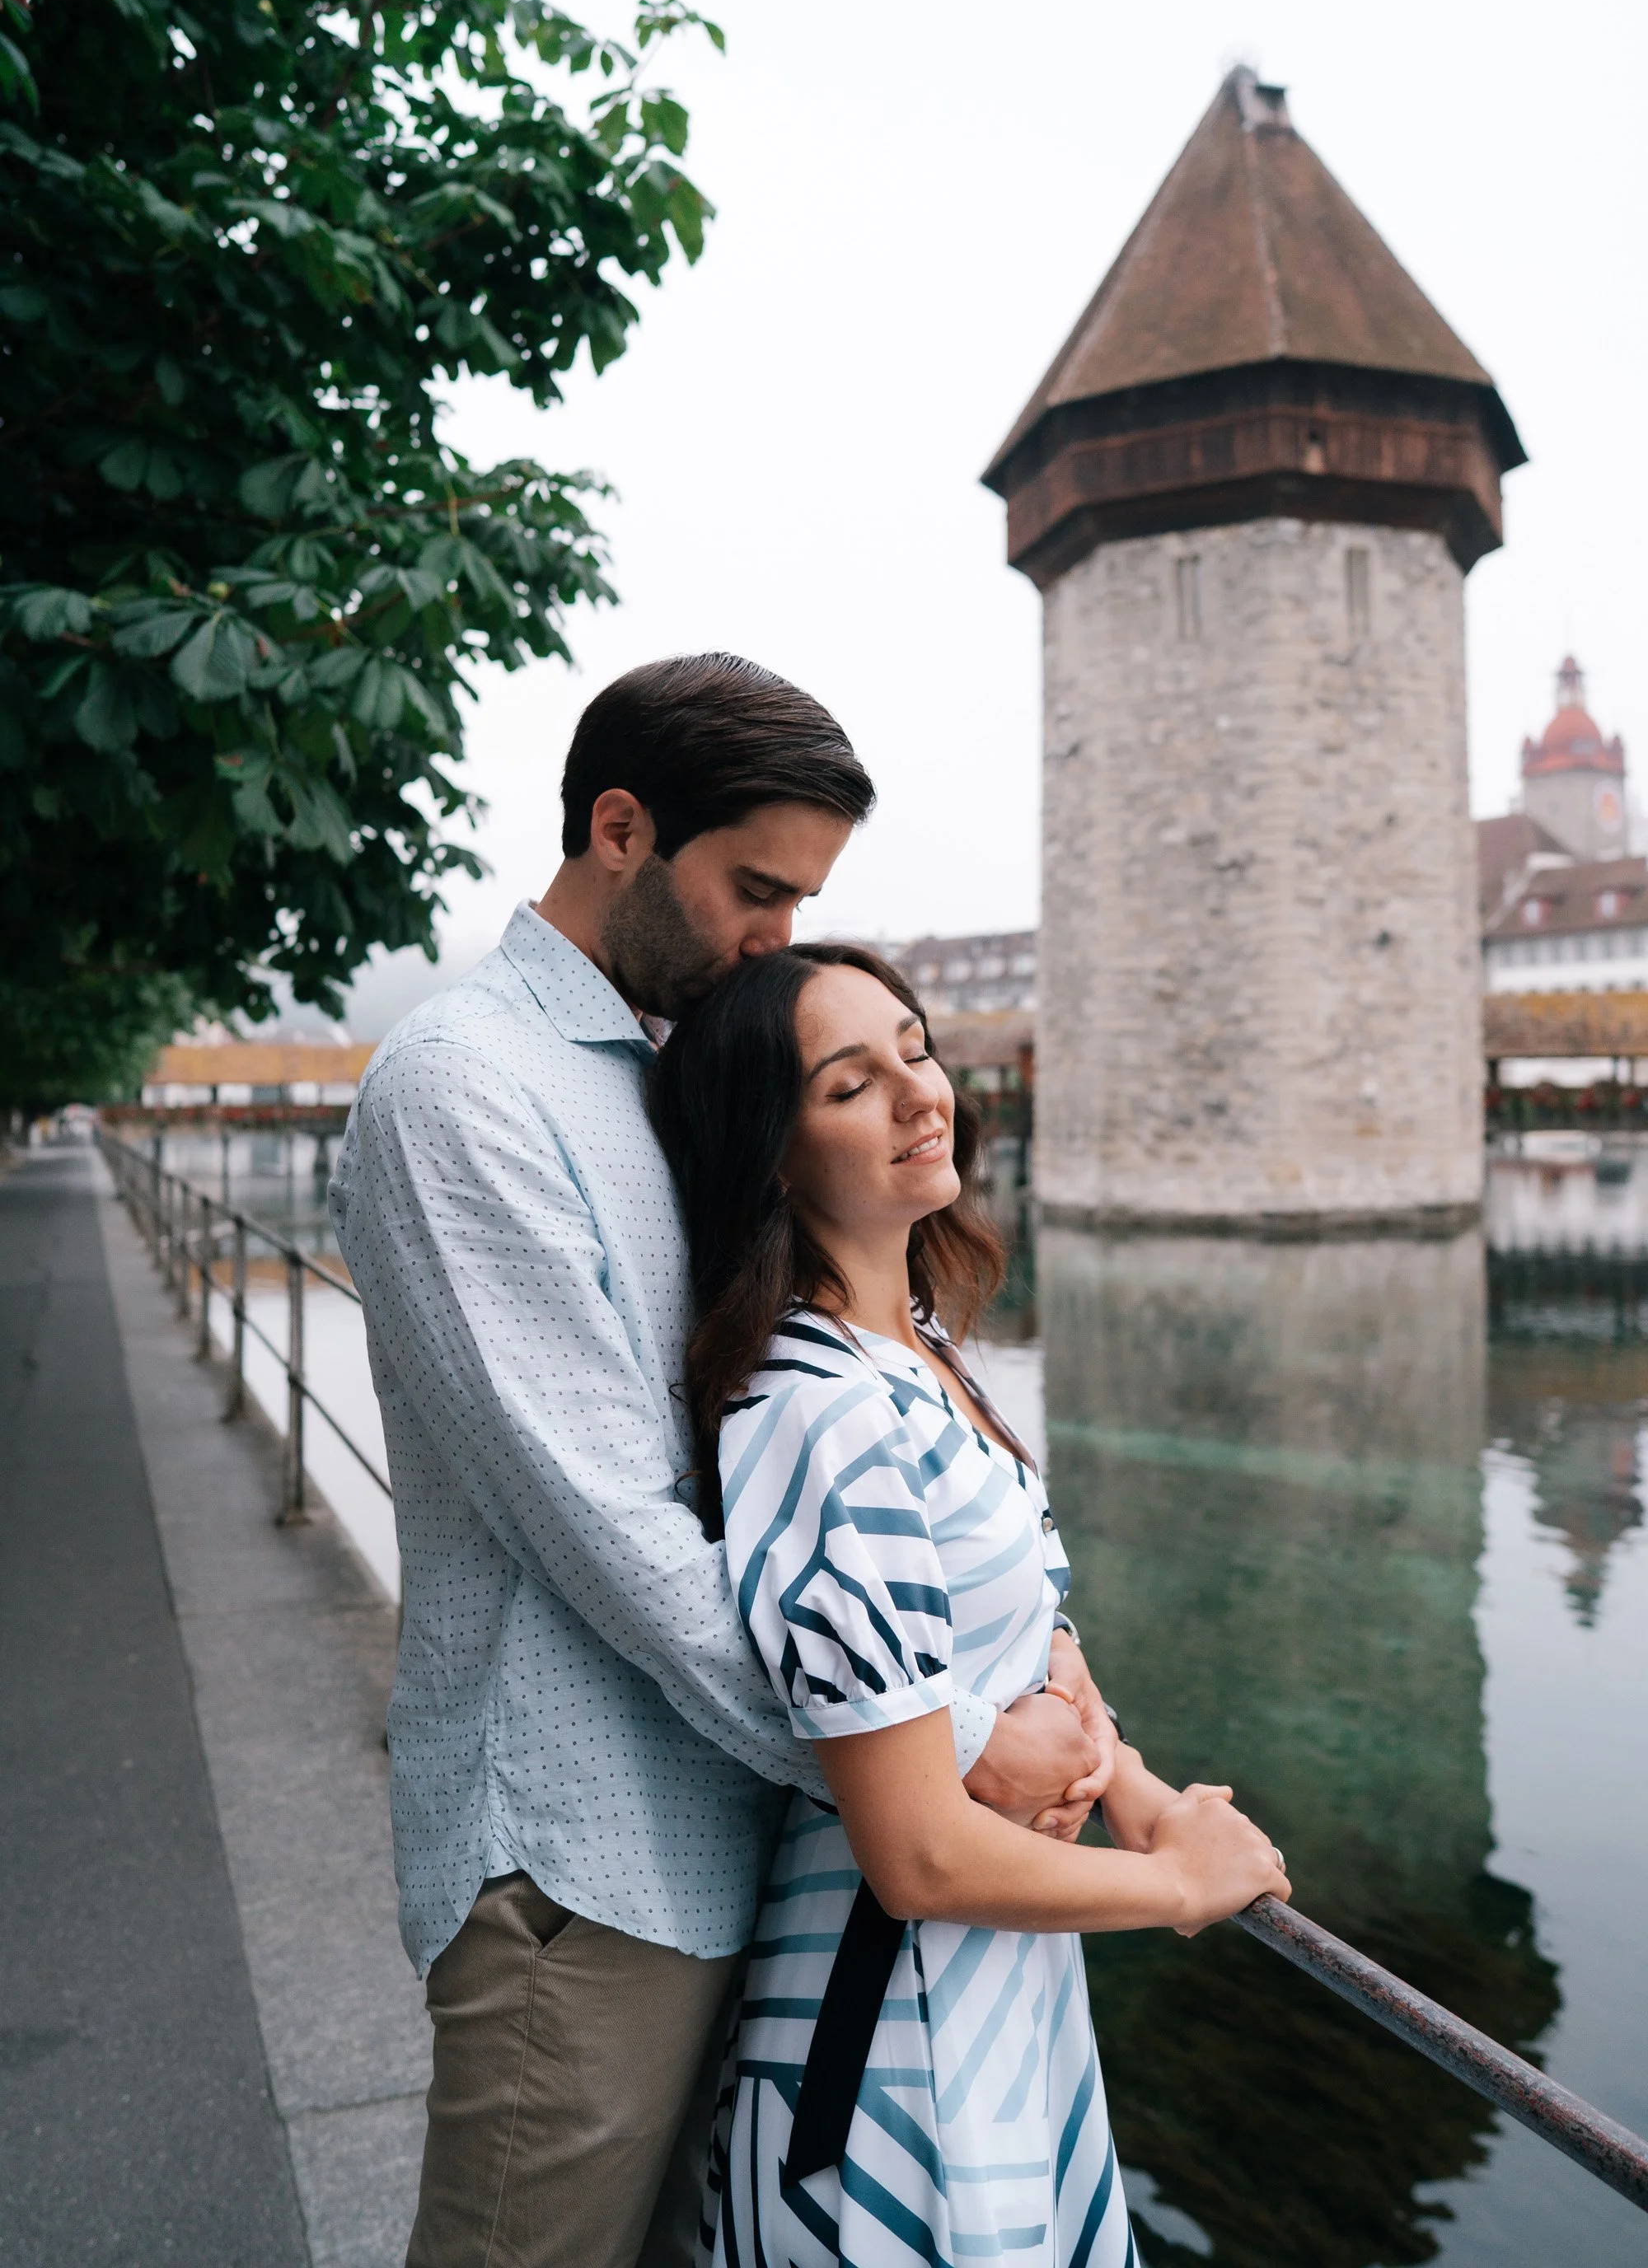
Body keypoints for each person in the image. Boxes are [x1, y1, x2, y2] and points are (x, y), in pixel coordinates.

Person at [330, 655, 1117, 2268]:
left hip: (761, 1848)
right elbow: (623, 1536)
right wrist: (953, 1747)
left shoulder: (673, 1067)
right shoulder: (467, 1090)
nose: (778, 940)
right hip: (586, 1874)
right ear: (620, 828)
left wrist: (1042, 1646)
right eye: (756, 892)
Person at [648, 942, 1291, 2268]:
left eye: (915, 1049)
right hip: (891, 2036)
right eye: (849, 1084)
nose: (917, 1094)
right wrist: (1171, 1885)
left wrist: (1134, 1786)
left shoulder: (917, 1350)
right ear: (769, 1151)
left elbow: (1021, 1629)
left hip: (995, 1999)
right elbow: (917, 1851)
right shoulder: (819, 1410)